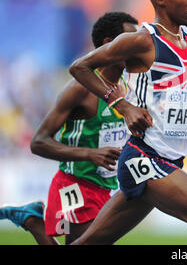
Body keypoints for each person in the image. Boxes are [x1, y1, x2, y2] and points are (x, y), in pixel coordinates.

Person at [68, 0, 187, 245]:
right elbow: (80, 67)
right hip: (145, 158)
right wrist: (123, 105)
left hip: (171, 157)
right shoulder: (141, 41)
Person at [0, 12, 139, 245]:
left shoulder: (125, 87)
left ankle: (33, 220)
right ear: (109, 44)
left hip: (107, 188)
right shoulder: (80, 89)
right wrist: (90, 154)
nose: (138, 46)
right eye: (131, 40)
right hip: (74, 185)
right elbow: (39, 142)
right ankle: (33, 222)